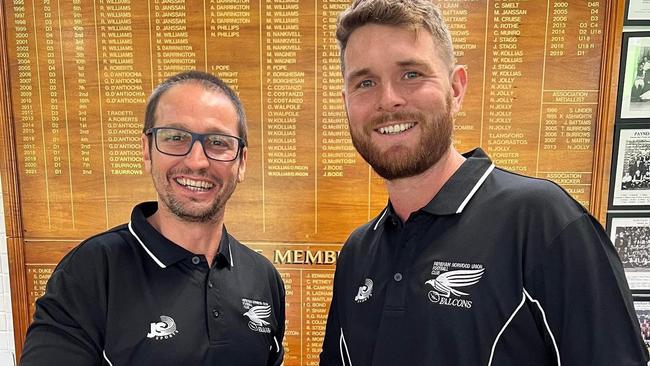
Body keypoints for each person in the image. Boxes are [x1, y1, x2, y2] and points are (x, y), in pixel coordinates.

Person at [320, 1, 649, 365]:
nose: (389, 99)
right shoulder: (357, 253)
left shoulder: (543, 222)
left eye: (411, 74)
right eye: (365, 82)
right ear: (346, 102)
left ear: (456, 88)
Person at [20, 71, 285, 365]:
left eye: (218, 142)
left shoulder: (263, 278)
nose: (197, 161)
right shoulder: (90, 272)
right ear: (146, 151)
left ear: (241, 162)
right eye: (175, 137)